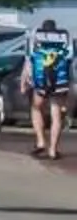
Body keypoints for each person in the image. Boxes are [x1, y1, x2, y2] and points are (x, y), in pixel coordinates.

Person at [25, 20, 74, 161]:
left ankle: (41, 141)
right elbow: (71, 60)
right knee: (56, 115)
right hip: (60, 82)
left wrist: (26, 79)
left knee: (36, 108)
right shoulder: (65, 45)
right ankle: (53, 150)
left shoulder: (35, 44)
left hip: (40, 83)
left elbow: (29, 61)